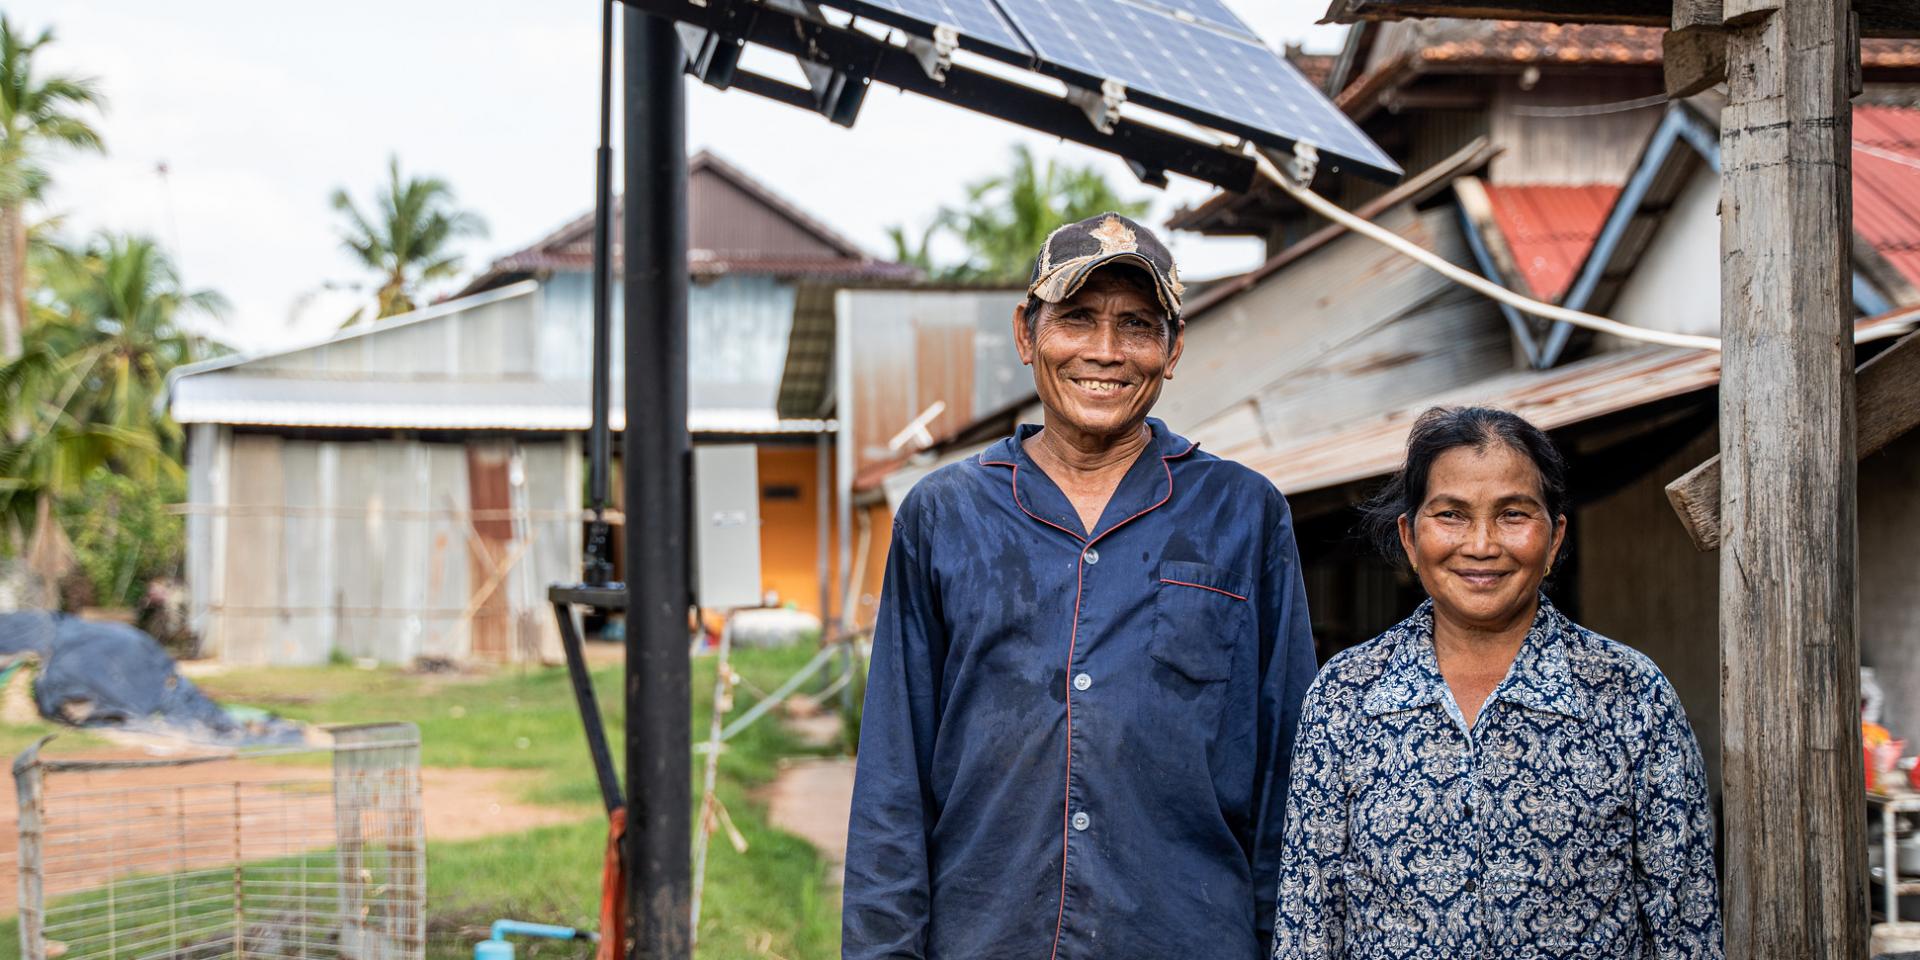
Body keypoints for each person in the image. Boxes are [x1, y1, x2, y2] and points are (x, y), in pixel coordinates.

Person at [842, 213, 1318, 960]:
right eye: (1076, 319)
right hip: (987, 940)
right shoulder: (944, 516)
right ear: (1027, 333)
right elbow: (892, 779)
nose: (1104, 351)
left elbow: (1289, 773)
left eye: (1136, 324)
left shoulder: (1244, 514)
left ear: (1173, 349)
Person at [1271, 406, 1722, 959]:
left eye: (1512, 514)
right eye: (1452, 515)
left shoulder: (1630, 694)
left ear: (1554, 538)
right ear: (1410, 539)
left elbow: (1686, 922)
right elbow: (1308, 922)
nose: (1482, 544)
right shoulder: (1345, 695)